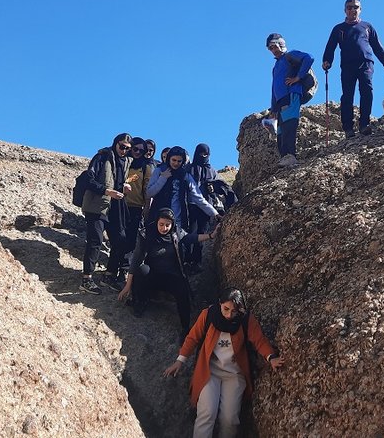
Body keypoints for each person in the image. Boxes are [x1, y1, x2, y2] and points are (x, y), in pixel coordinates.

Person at [163, 288, 285, 438]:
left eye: (234, 311)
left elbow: (259, 340)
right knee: (207, 412)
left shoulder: (245, 319)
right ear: (220, 303)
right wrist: (179, 361)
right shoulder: (208, 315)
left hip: (234, 374)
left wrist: (271, 357)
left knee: (230, 419)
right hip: (210, 371)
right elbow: (193, 337)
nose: (229, 315)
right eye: (226, 309)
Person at [117, 208, 217, 335]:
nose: (164, 228)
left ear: (172, 224)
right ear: (156, 222)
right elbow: (136, 260)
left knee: (182, 291)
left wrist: (211, 236)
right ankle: (140, 301)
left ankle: (185, 328)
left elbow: (191, 237)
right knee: (141, 270)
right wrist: (127, 286)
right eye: (161, 224)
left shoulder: (176, 233)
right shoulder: (147, 234)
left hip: (171, 276)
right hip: (153, 274)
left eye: (167, 225)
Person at [322, 0, 384, 137]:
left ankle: (364, 124)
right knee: (347, 95)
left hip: (366, 63)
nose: (352, 10)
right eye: (349, 7)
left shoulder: (367, 27)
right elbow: (330, 46)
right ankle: (348, 128)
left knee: (367, 91)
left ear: (360, 10)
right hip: (347, 65)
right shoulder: (338, 29)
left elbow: (377, 45)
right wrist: (327, 61)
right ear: (345, 10)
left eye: (356, 7)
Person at [79, 133, 133, 294]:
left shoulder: (126, 162)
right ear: (115, 143)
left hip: (115, 207)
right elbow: (89, 180)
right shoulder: (102, 157)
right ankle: (87, 279)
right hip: (97, 206)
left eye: (127, 149)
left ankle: (109, 276)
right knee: (95, 240)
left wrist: (123, 188)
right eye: (122, 146)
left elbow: (117, 182)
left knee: (120, 240)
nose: (124, 150)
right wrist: (107, 191)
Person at [266, 33, 314, 168]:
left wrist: (298, 77)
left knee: (289, 125)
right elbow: (274, 88)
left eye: (274, 46)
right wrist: (273, 109)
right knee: (280, 130)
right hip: (280, 100)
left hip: (291, 95)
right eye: (270, 48)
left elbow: (309, 58)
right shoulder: (276, 66)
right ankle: (284, 157)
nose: (273, 50)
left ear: (281, 44)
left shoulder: (290, 55)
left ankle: (291, 156)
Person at [146, 146, 220, 231]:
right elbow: (149, 193)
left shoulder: (185, 176)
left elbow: (198, 197)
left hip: (177, 222)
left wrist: (214, 213)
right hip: (158, 220)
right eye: (174, 160)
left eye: (179, 161)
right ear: (169, 159)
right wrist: (162, 178)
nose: (176, 163)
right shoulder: (159, 170)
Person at [187, 143, 220, 267]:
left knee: (203, 232)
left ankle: (197, 261)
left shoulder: (212, 171)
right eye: (201, 153)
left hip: (207, 207)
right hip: (190, 205)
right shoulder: (188, 168)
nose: (203, 156)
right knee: (190, 232)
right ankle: (187, 260)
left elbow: (218, 187)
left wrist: (213, 189)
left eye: (206, 154)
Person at [123, 137, 154, 271]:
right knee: (118, 236)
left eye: (141, 151)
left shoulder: (146, 167)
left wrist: (147, 208)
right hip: (118, 204)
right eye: (135, 149)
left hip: (135, 207)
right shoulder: (123, 162)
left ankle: (125, 267)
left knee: (131, 238)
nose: (137, 152)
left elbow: (147, 189)